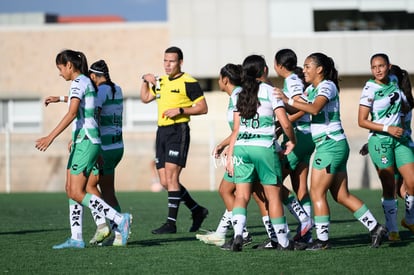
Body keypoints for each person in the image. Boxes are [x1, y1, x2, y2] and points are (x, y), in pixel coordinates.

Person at [274, 52, 387, 250]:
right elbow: (303, 108)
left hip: (330, 146)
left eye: (308, 66)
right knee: (341, 195)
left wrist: (288, 100)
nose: (304, 70)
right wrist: (280, 119)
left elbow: (315, 109)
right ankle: (376, 227)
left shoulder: (327, 85)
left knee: (317, 193)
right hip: (333, 145)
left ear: (319, 69)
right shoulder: (313, 88)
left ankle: (322, 240)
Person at [36, 49, 131, 249]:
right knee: (71, 189)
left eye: (60, 68)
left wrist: (50, 137)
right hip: (87, 141)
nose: (60, 72)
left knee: (79, 190)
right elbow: (82, 108)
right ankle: (77, 237)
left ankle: (118, 220)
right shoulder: (84, 83)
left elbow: (72, 113)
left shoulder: (80, 82)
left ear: (69, 66)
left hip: (88, 141)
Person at [225, 54, 300, 252]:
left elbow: (236, 129)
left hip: (241, 147)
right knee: (273, 196)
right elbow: (284, 122)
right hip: (264, 148)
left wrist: (231, 156)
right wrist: (292, 140)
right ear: (264, 70)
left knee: (241, 196)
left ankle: (239, 234)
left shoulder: (239, 94)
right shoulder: (270, 91)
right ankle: (284, 242)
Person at [140, 46, 209, 234]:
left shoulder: (189, 82)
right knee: (164, 181)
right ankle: (197, 210)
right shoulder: (160, 81)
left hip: (178, 131)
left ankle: (171, 223)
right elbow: (145, 98)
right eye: (165, 61)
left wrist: (181, 110)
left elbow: (203, 108)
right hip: (161, 133)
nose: (167, 65)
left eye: (171, 61)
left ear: (180, 62)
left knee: (171, 177)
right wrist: (145, 80)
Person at [358, 54, 414, 240]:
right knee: (389, 185)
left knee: (412, 181)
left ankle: (410, 218)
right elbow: (362, 121)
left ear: (388, 66)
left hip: (400, 140)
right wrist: (386, 128)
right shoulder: (369, 88)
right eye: (374, 67)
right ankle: (392, 229)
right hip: (381, 140)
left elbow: (402, 104)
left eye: (381, 66)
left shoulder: (394, 80)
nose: (378, 70)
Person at [273, 48, 315, 243]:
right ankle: (306, 236)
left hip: (298, 137)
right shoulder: (291, 80)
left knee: (271, 182)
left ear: (279, 66)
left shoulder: (291, 81)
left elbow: (301, 105)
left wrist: (285, 123)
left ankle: (303, 222)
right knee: (300, 188)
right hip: (306, 136)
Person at [86, 59, 126, 246]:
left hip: (104, 148)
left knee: (87, 187)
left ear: (93, 76)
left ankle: (104, 225)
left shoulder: (100, 91)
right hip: (117, 146)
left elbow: (95, 115)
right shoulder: (117, 88)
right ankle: (119, 235)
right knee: (108, 191)